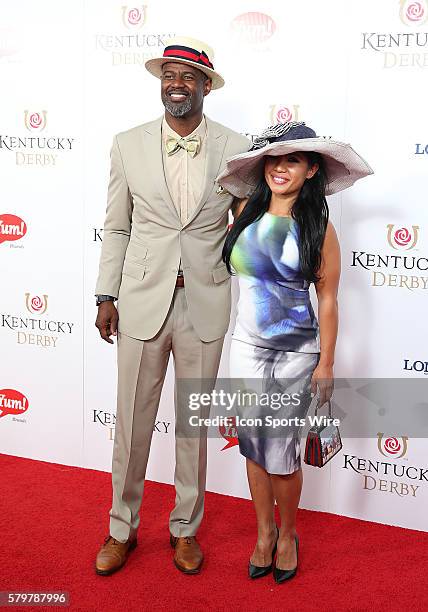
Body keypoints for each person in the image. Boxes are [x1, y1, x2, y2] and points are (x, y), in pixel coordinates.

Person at [93, 36, 250, 576]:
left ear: (207, 86)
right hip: (139, 300)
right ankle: (121, 528)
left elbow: (249, 224)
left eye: (187, 76)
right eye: (168, 76)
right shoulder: (127, 143)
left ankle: (185, 530)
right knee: (132, 426)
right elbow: (117, 225)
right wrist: (105, 293)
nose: (176, 84)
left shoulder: (237, 146)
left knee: (192, 426)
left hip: (204, 299)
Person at [217, 121, 373, 583]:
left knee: (280, 452)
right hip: (244, 346)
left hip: (295, 352)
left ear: (311, 171)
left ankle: (288, 536)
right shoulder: (244, 210)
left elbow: (327, 299)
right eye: (274, 159)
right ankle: (262, 535)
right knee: (252, 445)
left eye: (292, 160)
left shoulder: (318, 227)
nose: (280, 168)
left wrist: (326, 362)